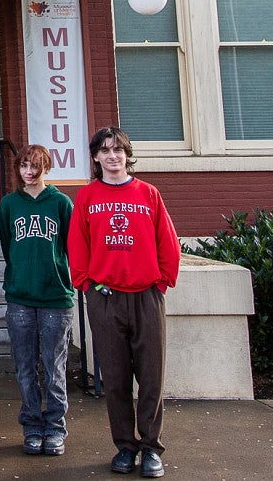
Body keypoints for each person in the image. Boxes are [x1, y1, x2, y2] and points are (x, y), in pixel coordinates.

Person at [68, 127, 180, 478]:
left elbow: (168, 241)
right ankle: (125, 447)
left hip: (146, 295)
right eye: (105, 150)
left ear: (126, 155)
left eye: (118, 149)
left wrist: (161, 282)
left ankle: (150, 447)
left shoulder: (148, 193)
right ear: (96, 157)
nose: (113, 156)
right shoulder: (87, 197)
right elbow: (77, 245)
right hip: (105, 298)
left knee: (151, 376)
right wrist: (87, 285)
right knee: (115, 379)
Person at [0, 144, 75, 457]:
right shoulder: (9, 205)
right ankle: (31, 425)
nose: (29, 172)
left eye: (35, 166)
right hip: (20, 297)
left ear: (46, 168)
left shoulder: (60, 203)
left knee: (54, 367)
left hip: (55, 296)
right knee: (25, 367)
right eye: (24, 166)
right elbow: (7, 245)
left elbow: (71, 247)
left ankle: (55, 428)